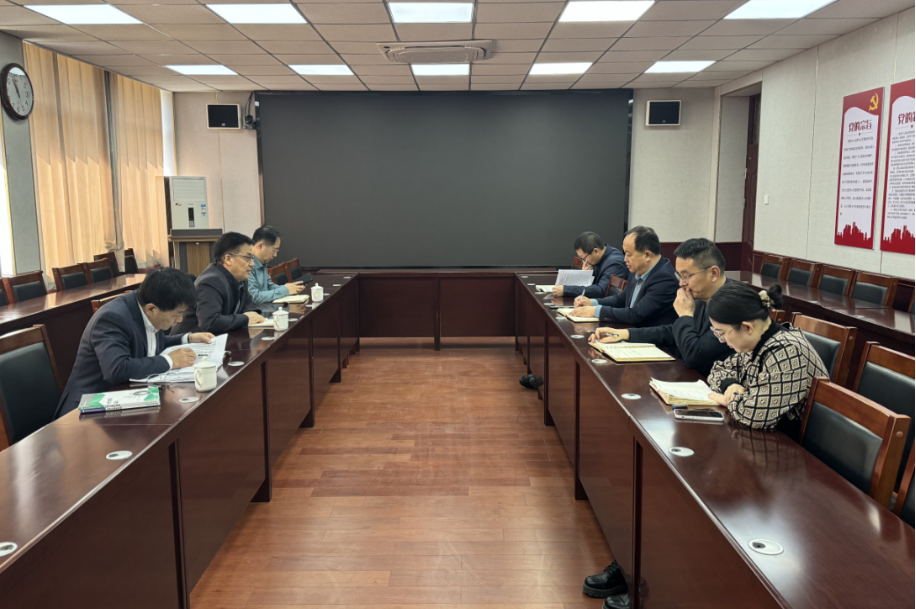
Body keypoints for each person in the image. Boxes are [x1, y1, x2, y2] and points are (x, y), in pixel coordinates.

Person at [54, 268, 215, 418]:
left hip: (126, 398)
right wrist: (170, 361)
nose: (180, 319)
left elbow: (150, 343)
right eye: (177, 314)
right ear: (151, 309)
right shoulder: (112, 318)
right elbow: (117, 369)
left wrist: (187, 338)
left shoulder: (146, 305)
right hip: (88, 410)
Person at [588, 238, 734, 377]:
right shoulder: (703, 295)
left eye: (686, 276)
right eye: (679, 276)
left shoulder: (732, 304)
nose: (681, 283)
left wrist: (685, 315)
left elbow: (694, 356)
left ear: (713, 273)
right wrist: (625, 334)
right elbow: (672, 331)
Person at [707, 283, 828, 435]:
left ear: (747, 327)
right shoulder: (758, 341)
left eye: (722, 333)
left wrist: (729, 400)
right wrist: (730, 384)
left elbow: (754, 415)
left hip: (794, 442)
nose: (721, 340)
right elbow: (718, 369)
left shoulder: (786, 352)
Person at [567, 226, 679, 327]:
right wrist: (592, 302)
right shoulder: (638, 269)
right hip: (631, 330)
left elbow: (636, 314)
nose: (625, 259)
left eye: (629, 254)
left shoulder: (665, 279)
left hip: (650, 339)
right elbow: (620, 299)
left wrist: (595, 311)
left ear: (647, 255)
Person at [173, 232, 265, 335]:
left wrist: (251, 316)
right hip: (190, 342)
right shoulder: (210, 282)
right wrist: (245, 318)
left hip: (220, 338)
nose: (252, 264)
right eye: (247, 258)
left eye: (252, 258)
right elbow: (210, 323)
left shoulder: (240, 277)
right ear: (228, 259)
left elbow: (250, 304)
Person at [551, 232, 629, 299]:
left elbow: (601, 291)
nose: (584, 262)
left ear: (596, 251)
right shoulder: (598, 258)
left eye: (584, 258)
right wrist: (585, 275)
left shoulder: (615, 263)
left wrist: (566, 290)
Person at [248, 225, 307, 305]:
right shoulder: (246, 264)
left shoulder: (262, 262)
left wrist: (288, 288)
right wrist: (285, 290)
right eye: (274, 250)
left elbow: (269, 286)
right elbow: (254, 297)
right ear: (260, 246)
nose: (275, 255)